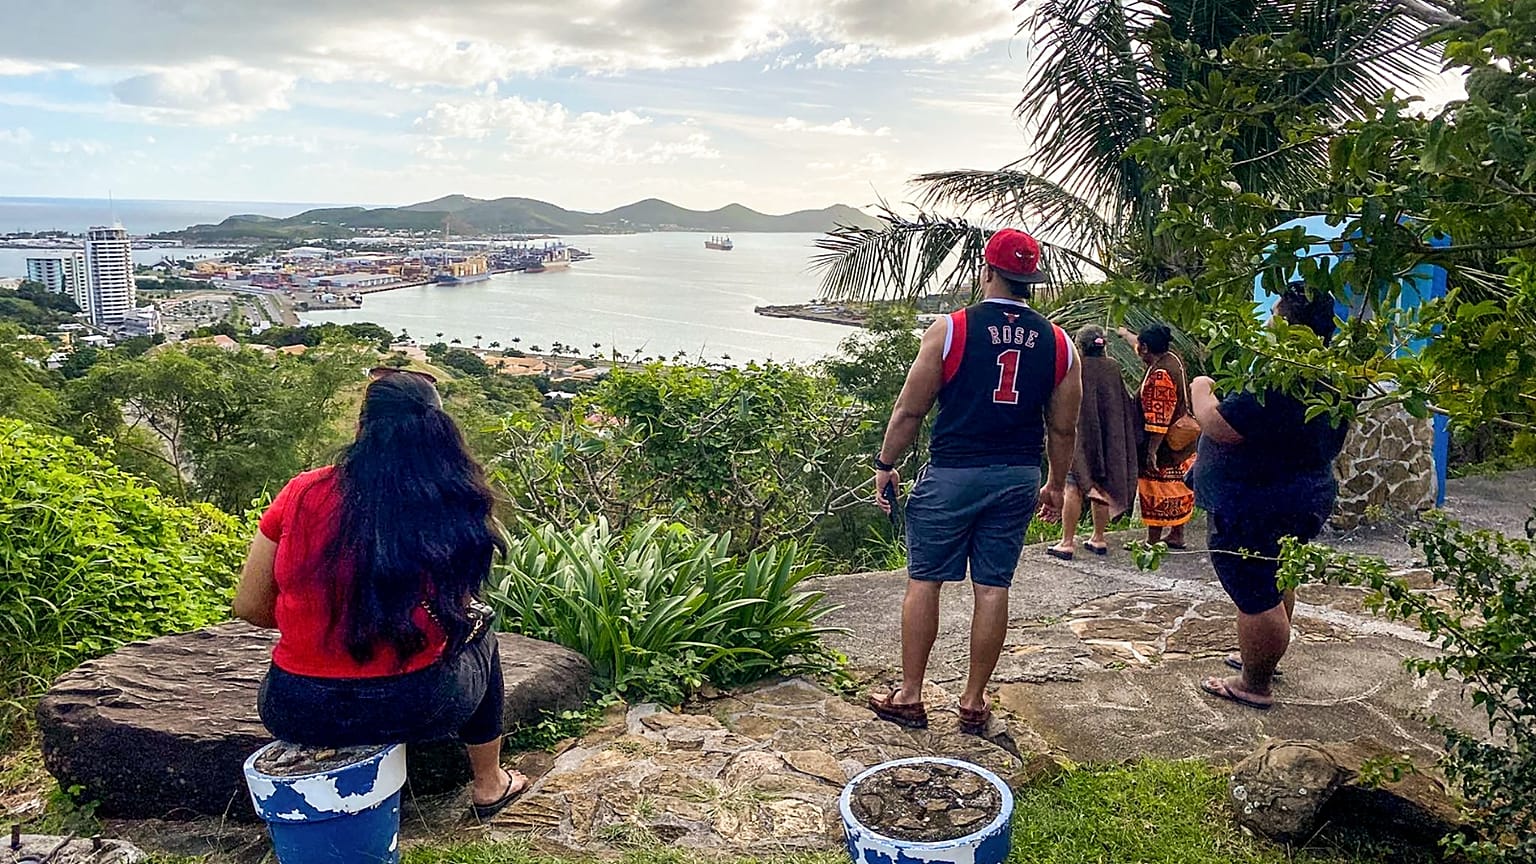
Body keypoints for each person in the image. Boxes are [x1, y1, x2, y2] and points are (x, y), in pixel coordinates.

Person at [233, 369, 527, 819]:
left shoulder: (301, 492)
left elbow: (249, 606)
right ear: (439, 433)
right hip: (417, 706)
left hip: (297, 707)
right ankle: (489, 784)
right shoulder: (450, 498)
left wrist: (319, 618)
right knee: (481, 631)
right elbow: (457, 605)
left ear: (361, 428)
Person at [867, 228, 1082, 735]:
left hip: (954, 472)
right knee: (992, 586)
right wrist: (1054, 483)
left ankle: (911, 695)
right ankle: (973, 701)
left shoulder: (952, 330)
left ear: (986, 272)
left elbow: (909, 410)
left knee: (925, 580)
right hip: (1017, 475)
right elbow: (1064, 426)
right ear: (1032, 280)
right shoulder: (1059, 343)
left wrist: (885, 463)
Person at [1188, 287, 1349, 710]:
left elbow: (1221, 425)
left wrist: (1201, 388)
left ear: (1292, 325)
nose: (1270, 322)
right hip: (1303, 492)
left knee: (1256, 592)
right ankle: (1262, 659)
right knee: (1275, 576)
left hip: (1257, 502)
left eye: (1275, 315)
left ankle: (1253, 682)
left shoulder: (1283, 376)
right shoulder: (1333, 374)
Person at [1047, 325, 1139, 560]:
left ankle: (1067, 542)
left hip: (1079, 436)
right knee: (1102, 485)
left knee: (1073, 486)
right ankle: (1099, 538)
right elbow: (1121, 404)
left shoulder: (1076, 368)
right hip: (1108, 437)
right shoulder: (1113, 368)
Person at [1119, 323, 1197, 548]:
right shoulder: (1173, 359)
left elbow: (1158, 416)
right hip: (1182, 444)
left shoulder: (1160, 374)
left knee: (1157, 490)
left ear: (1145, 349)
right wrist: (1125, 334)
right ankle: (1176, 534)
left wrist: (1151, 451)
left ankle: (1152, 540)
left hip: (1165, 446)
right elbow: (1137, 343)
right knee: (1177, 488)